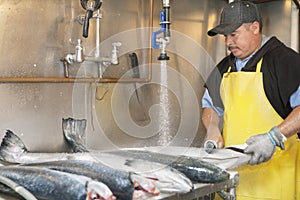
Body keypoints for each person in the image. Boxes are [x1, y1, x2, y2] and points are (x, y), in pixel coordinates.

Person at [202, 0, 300, 199]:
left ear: (254, 27)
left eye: (234, 34)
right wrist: (212, 128)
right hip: (233, 183)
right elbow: (210, 106)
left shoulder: (285, 61)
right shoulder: (224, 67)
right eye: (225, 36)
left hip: (275, 183)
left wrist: (274, 138)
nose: (228, 42)